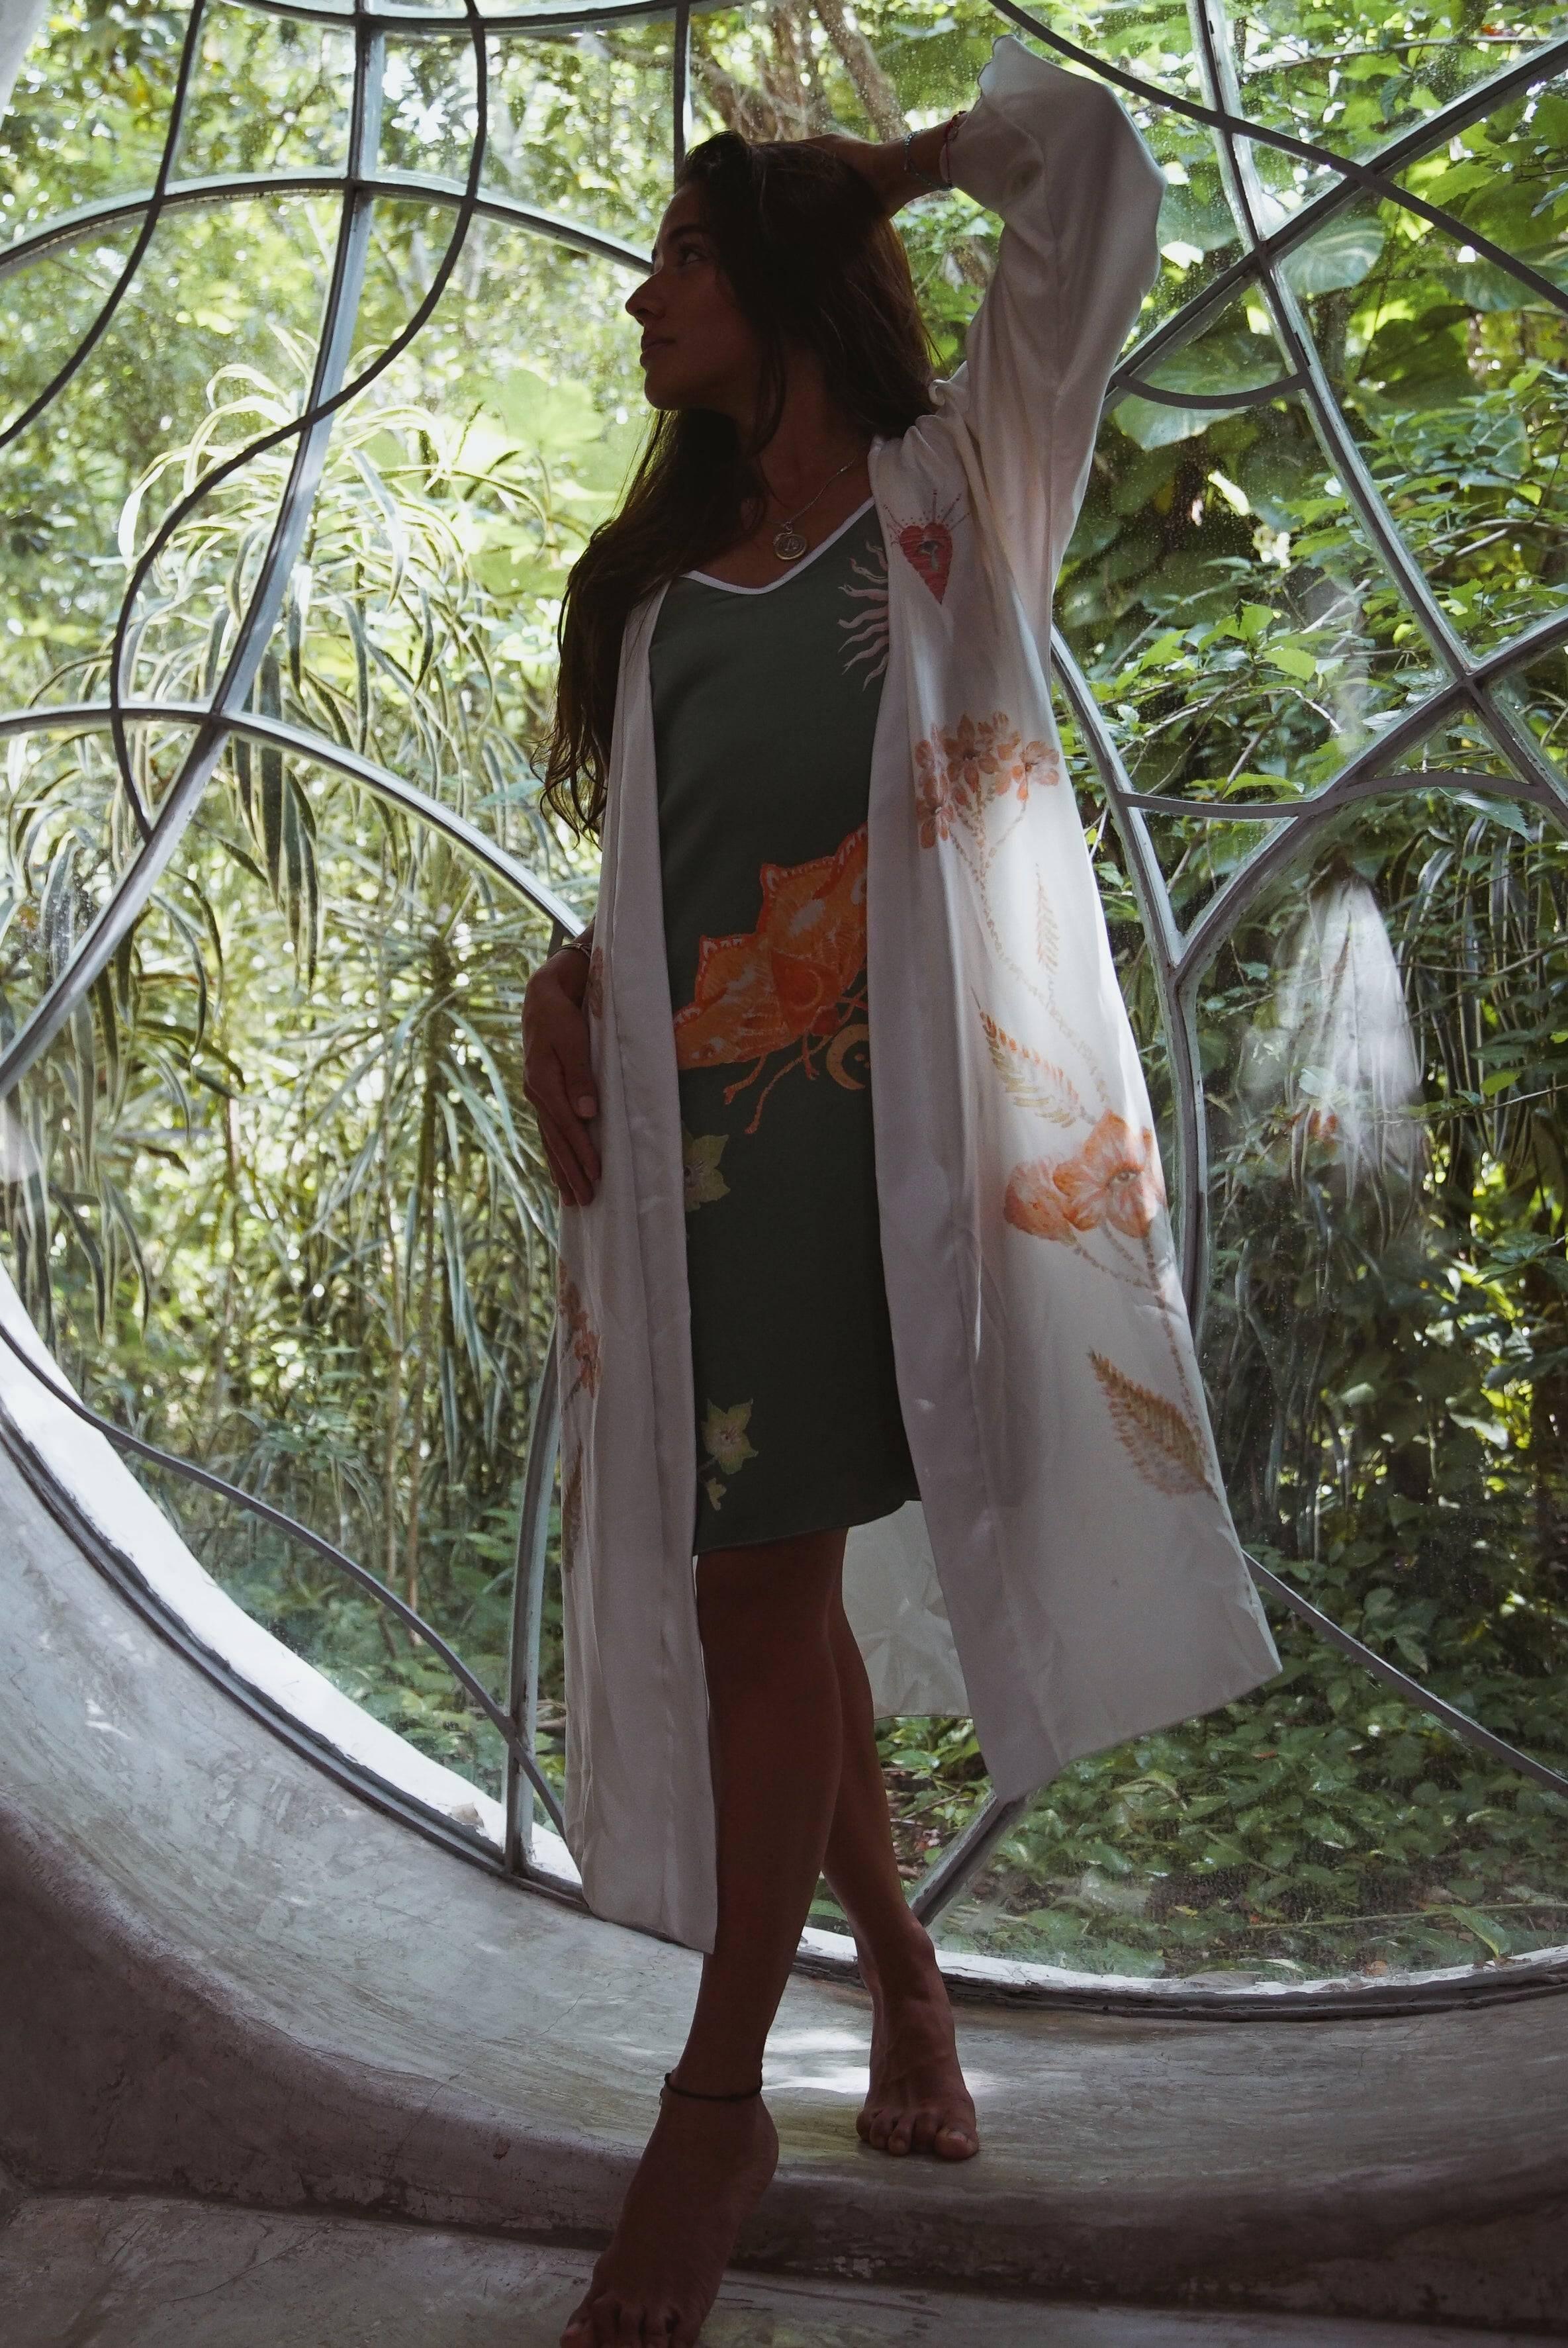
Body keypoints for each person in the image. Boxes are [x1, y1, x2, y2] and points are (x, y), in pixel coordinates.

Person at [523, 38, 1279, 2346]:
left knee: (787, 1602)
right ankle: (890, 2006)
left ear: (773, 281)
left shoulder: (964, 489)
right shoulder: (657, 590)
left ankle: (721, 2098)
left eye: (679, 255)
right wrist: (555, 995)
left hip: (921, 1147)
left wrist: (890, 165)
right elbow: (665, 876)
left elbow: (1093, 174)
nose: (643, 296)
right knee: (762, 1603)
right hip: (715, 1176)